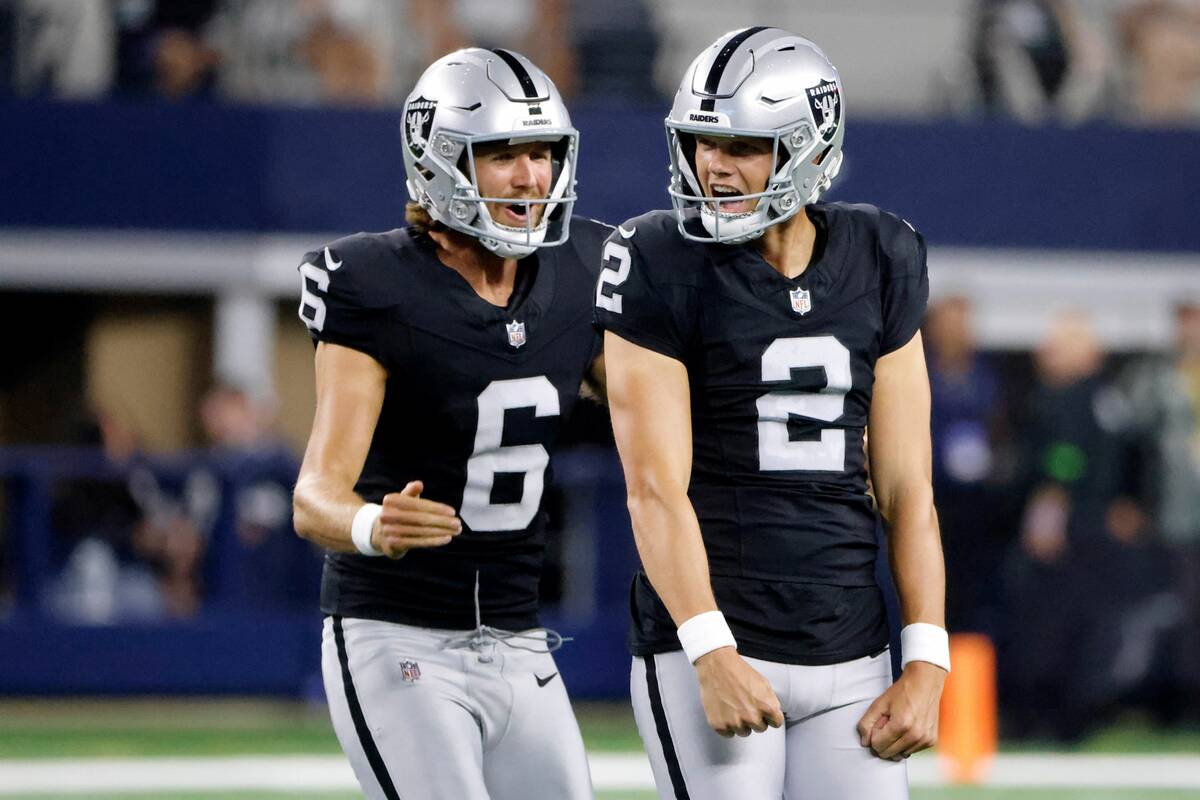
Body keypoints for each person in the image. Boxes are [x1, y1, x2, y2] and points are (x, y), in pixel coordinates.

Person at [595, 28, 947, 799]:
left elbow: (908, 490)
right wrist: (708, 648)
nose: (712, 166)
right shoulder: (658, 259)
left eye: (743, 146)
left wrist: (926, 658)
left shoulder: (881, 255)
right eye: (699, 142)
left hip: (851, 650)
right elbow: (654, 489)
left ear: (810, 148)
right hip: (717, 640)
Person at [292, 47, 607, 800]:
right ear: (439, 162)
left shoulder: (584, 270)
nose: (531, 177)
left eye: (543, 153)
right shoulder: (376, 285)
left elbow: (652, 417)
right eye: (503, 155)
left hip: (519, 634)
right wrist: (373, 525)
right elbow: (314, 495)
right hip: (394, 634)